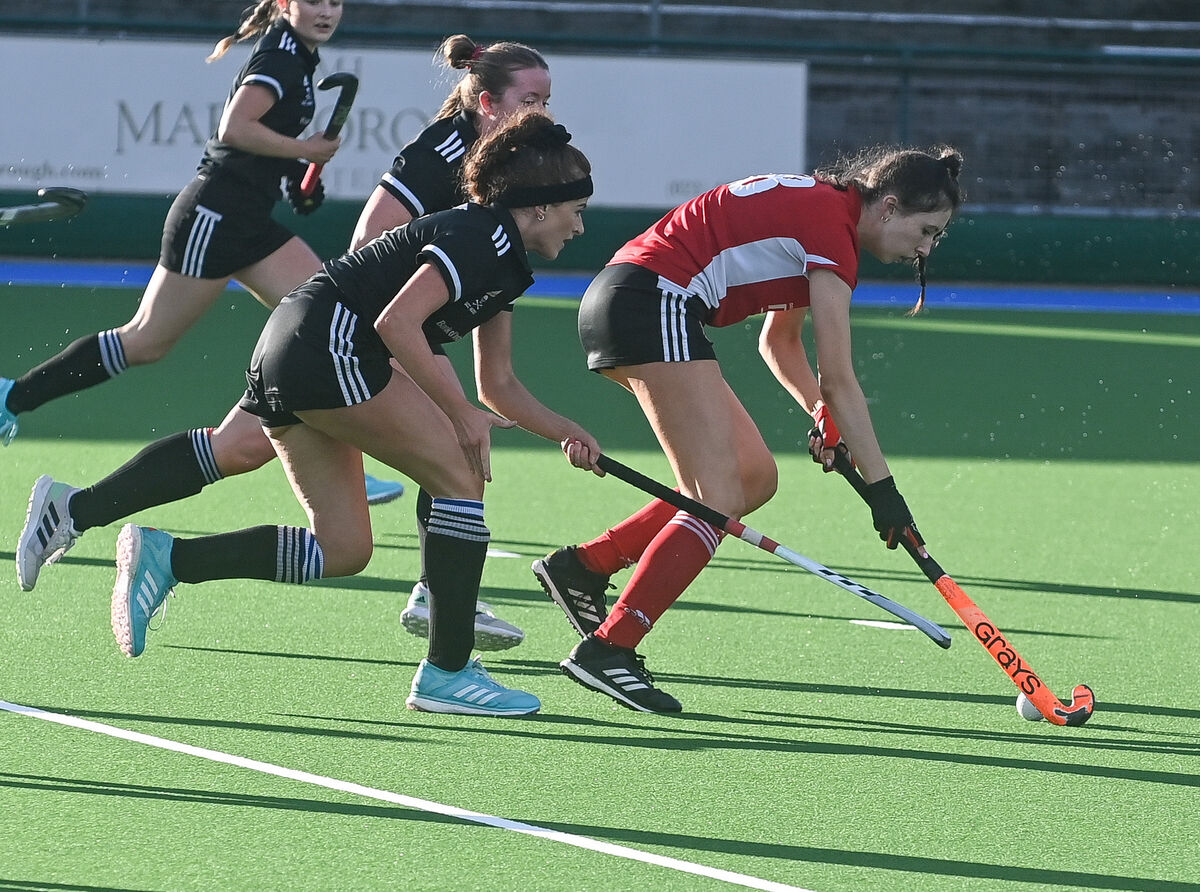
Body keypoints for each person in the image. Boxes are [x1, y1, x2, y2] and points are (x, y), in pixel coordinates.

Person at [16, 35, 550, 648]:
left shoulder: (495, 164)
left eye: (547, 100)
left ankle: (78, 514)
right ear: (486, 102)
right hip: (353, 339)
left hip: (355, 338)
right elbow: (374, 232)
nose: (544, 113)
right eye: (531, 99)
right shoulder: (444, 150)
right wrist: (396, 329)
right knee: (452, 452)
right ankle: (441, 605)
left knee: (243, 453)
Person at [109, 110, 600, 717]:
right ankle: (448, 672)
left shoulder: (505, 259)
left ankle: (170, 558)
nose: (580, 227)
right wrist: (458, 416)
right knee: (458, 474)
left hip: (298, 346)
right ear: (539, 207)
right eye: (576, 210)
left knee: (343, 548)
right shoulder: (482, 237)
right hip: (325, 346)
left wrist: (567, 432)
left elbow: (496, 384)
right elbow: (397, 322)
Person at [531, 146, 965, 713]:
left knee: (753, 477)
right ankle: (610, 648)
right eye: (926, 230)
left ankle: (585, 566)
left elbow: (779, 342)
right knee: (718, 496)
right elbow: (839, 378)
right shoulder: (832, 233)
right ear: (888, 207)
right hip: (652, 301)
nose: (925, 249)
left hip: (637, 299)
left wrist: (822, 416)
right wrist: (884, 490)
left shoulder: (825, 212)